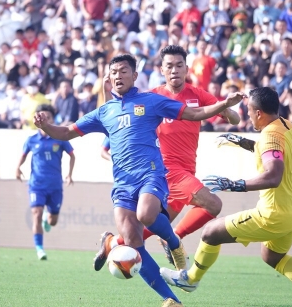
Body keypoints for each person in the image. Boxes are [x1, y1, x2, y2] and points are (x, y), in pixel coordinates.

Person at [33, 54, 245, 307]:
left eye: (124, 71)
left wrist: (223, 106)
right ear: (109, 79)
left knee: (147, 214)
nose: (118, 75)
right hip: (123, 185)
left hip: (152, 174)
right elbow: (67, 132)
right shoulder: (104, 112)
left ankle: (174, 242)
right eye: (114, 72)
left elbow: (194, 113)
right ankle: (171, 299)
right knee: (134, 244)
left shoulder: (152, 101)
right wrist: (46, 127)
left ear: (134, 76)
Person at [159, 87, 292, 307]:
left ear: (259, 114)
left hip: (273, 214)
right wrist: (241, 142)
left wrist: (234, 185)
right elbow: (271, 151)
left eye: (249, 110)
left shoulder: (269, 135)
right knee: (272, 257)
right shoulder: (286, 126)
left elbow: (273, 175)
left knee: (210, 232)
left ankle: (190, 279)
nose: (246, 114)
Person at [94, 45, 240, 271]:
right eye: (169, 66)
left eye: (179, 65)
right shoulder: (151, 98)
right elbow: (116, 127)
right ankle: (174, 241)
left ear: (186, 69)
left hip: (187, 170)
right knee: (213, 204)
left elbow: (234, 119)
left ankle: (112, 242)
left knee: (151, 226)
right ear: (162, 70)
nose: (174, 70)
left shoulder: (198, 95)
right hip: (165, 170)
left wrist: (227, 109)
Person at [16, 105, 75, 260]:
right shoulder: (31, 140)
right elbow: (23, 155)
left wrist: (69, 174)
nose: (45, 119)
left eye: (48, 117)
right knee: (36, 213)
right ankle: (40, 249)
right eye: (42, 116)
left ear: (52, 119)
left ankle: (47, 218)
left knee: (52, 221)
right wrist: (17, 168)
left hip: (55, 185)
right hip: (36, 185)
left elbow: (72, 155)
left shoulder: (60, 138)